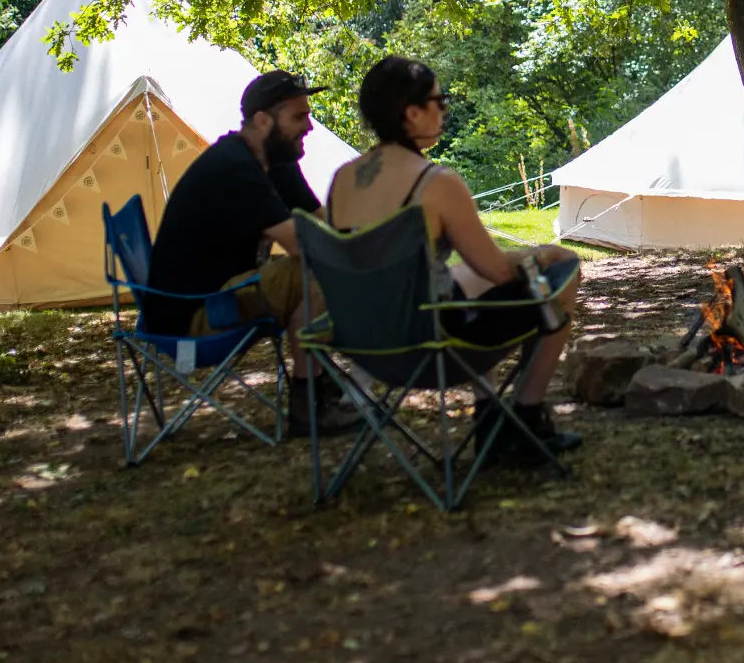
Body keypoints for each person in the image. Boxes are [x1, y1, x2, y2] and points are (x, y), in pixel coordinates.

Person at [324, 55, 583, 463]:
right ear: (411, 113)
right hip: (431, 345)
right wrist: (543, 253)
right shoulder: (436, 183)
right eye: (438, 100)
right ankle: (525, 419)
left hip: (364, 343)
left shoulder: (342, 179)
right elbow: (497, 268)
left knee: (462, 281)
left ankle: (488, 415)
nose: (444, 109)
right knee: (563, 273)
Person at [145, 70, 358, 435]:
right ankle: (311, 404)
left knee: (317, 269)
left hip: (220, 293)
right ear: (263, 120)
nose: (309, 127)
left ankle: (318, 384)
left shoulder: (273, 162)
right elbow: (303, 244)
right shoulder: (235, 168)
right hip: (194, 316)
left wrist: (383, 236)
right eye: (299, 116)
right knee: (312, 272)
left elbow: (327, 219)